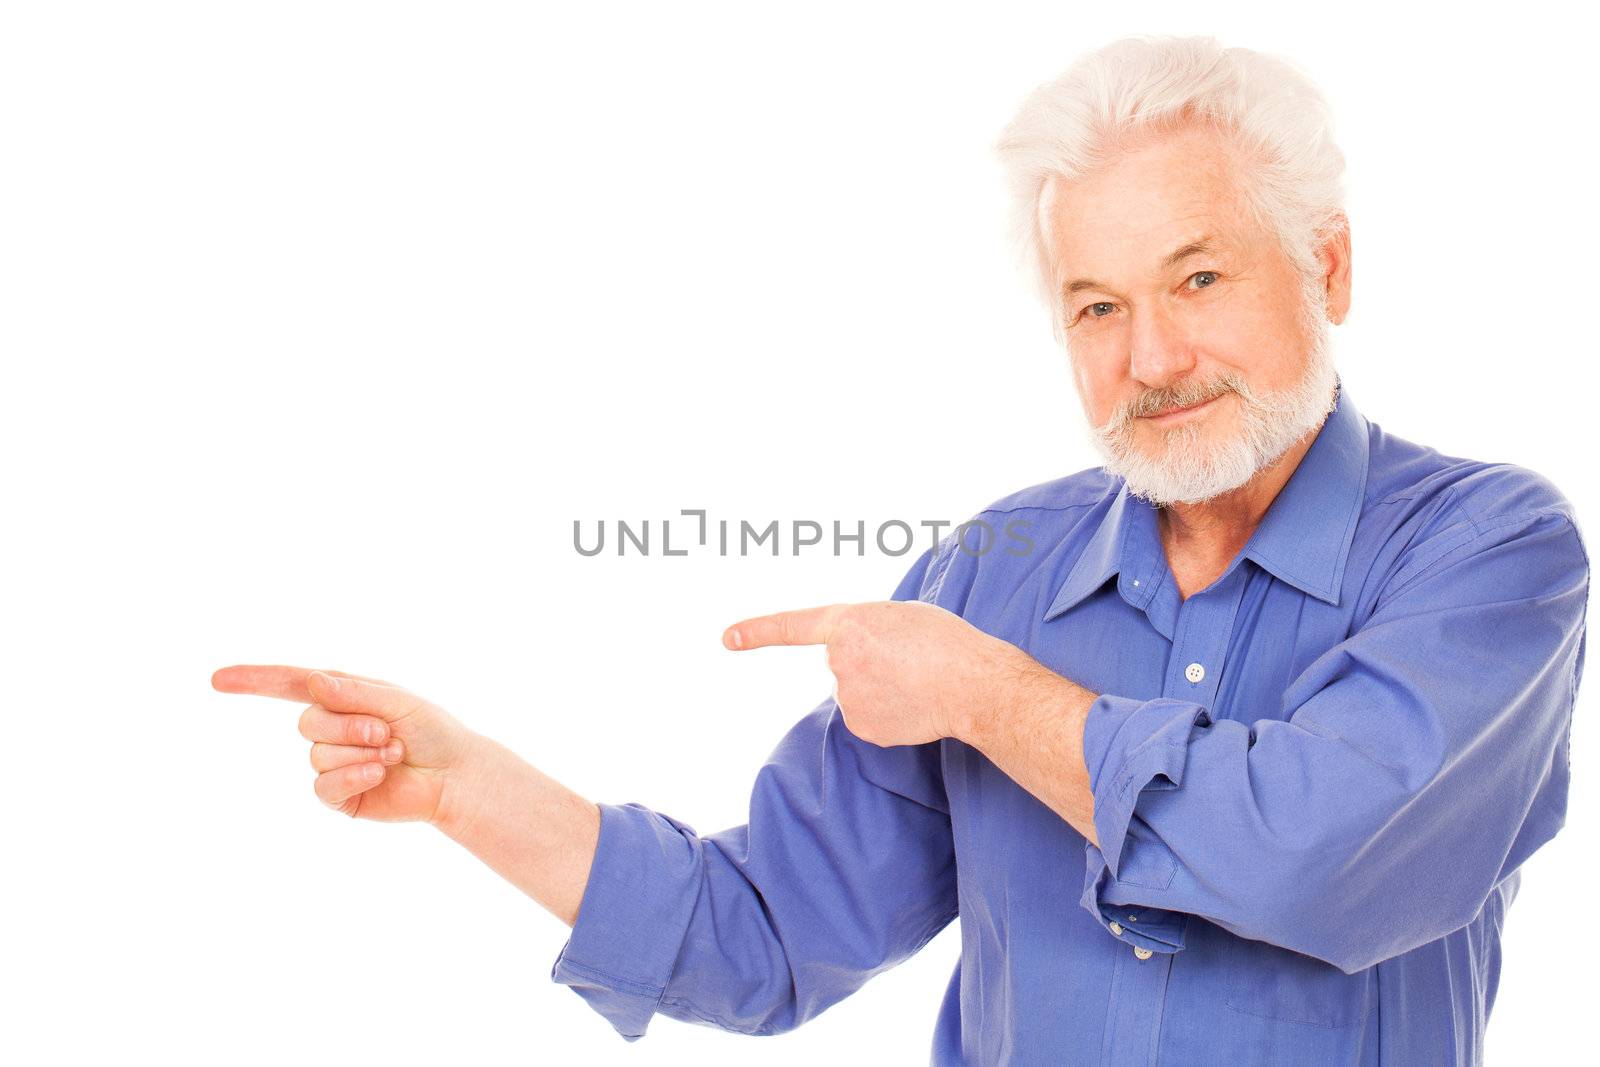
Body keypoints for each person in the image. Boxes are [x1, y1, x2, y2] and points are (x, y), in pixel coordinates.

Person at [213, 34, 1591, 1066]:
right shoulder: (994, 574)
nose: (1152, 358)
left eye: (1199, 279)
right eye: (1096, 307)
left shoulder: (1489, 551)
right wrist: (468, 788)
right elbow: (757, 936)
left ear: (1329, 269)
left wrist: (990, 699)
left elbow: (1309, 857)